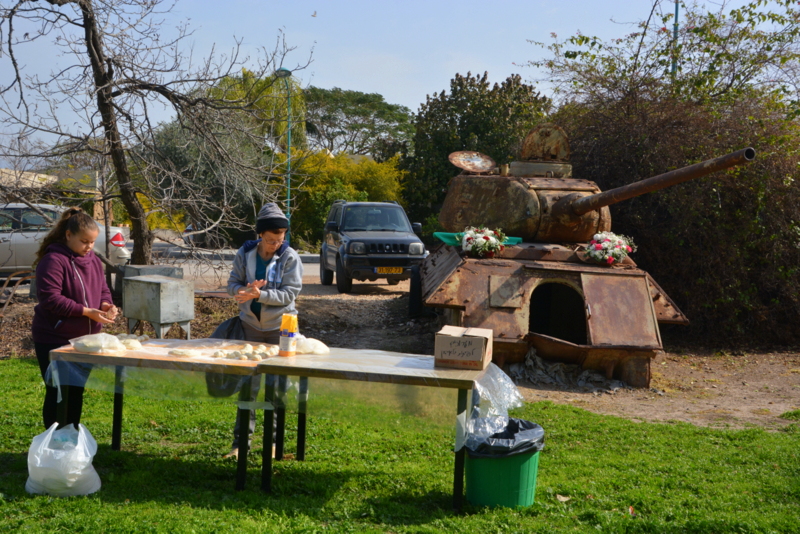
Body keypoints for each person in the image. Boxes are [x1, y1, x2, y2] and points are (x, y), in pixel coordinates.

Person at [224, 203, 303, 458]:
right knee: (248, 386)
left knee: (277, 387)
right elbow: (232, 282)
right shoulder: (245, 252)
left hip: (280, 330)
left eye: (279, 240)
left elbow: (291, 293)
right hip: (250, 327)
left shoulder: (290, 256)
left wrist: (261, 294)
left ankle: (273, 443)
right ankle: (240, 445)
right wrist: (241, 292)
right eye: (270, 240)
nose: (275, 245)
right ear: (260, 235)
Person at [32, 208, 118, 430]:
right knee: (58, 391)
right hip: (54, 337)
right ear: (68, 235)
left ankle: (70, 438)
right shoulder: (53, 260)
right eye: (84, 241)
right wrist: (86, 311)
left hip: (85, 340)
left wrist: (106, 305)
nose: (89, 247)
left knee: (75, 390)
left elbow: (103, 289)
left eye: (92, 242)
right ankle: (55, 442)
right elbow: (50, 299)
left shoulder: (93, 261)